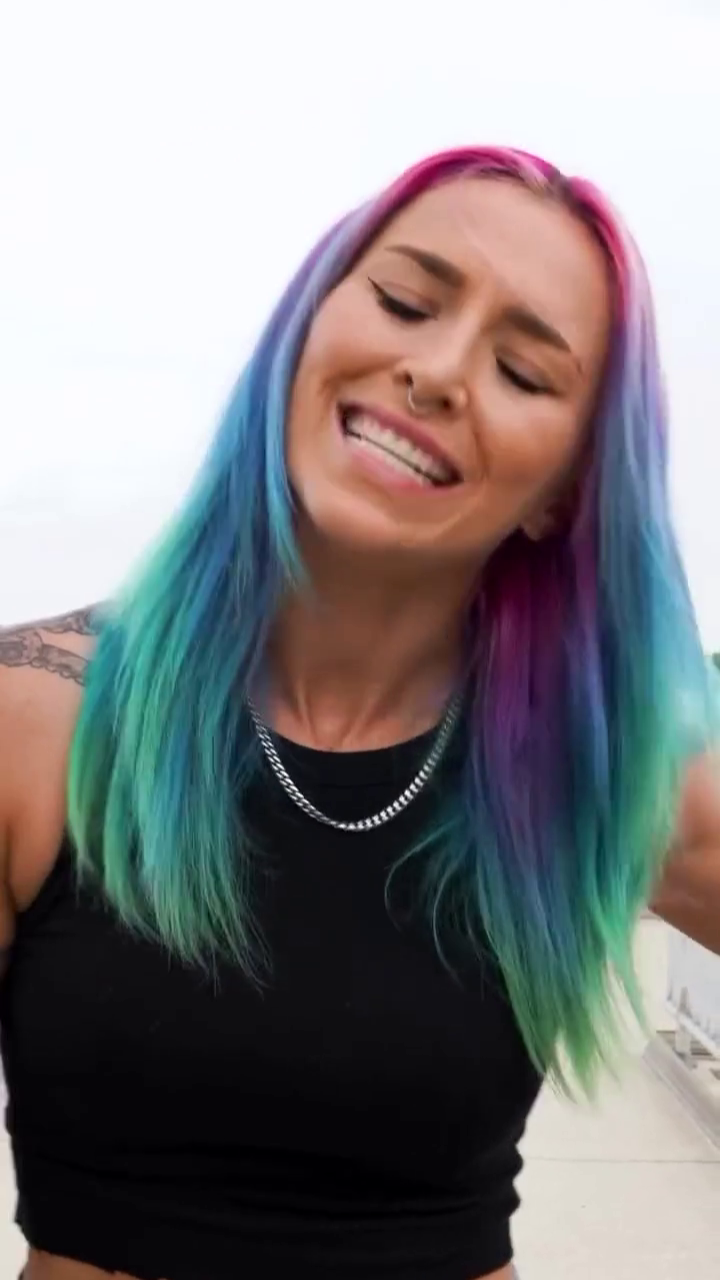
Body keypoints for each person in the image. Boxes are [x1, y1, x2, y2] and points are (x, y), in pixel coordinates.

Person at [1, 145, 719, 1280]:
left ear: (564, 494)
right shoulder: (35, 720)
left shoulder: (605, 775)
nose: (436, 372)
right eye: (403, 300)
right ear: (307, 330)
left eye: (524, 372)